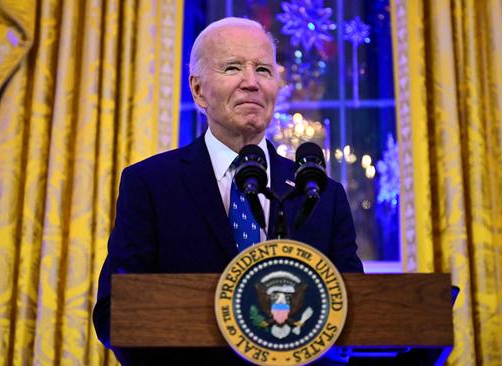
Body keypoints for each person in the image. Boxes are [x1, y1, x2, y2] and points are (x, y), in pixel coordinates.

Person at [93, 17, 363, 365]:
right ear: (198, 90)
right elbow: (115, 310)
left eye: (263, 70)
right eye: (233, 67)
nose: (251, 83)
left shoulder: (321, 193)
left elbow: (358, 310)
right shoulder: (150, 184)